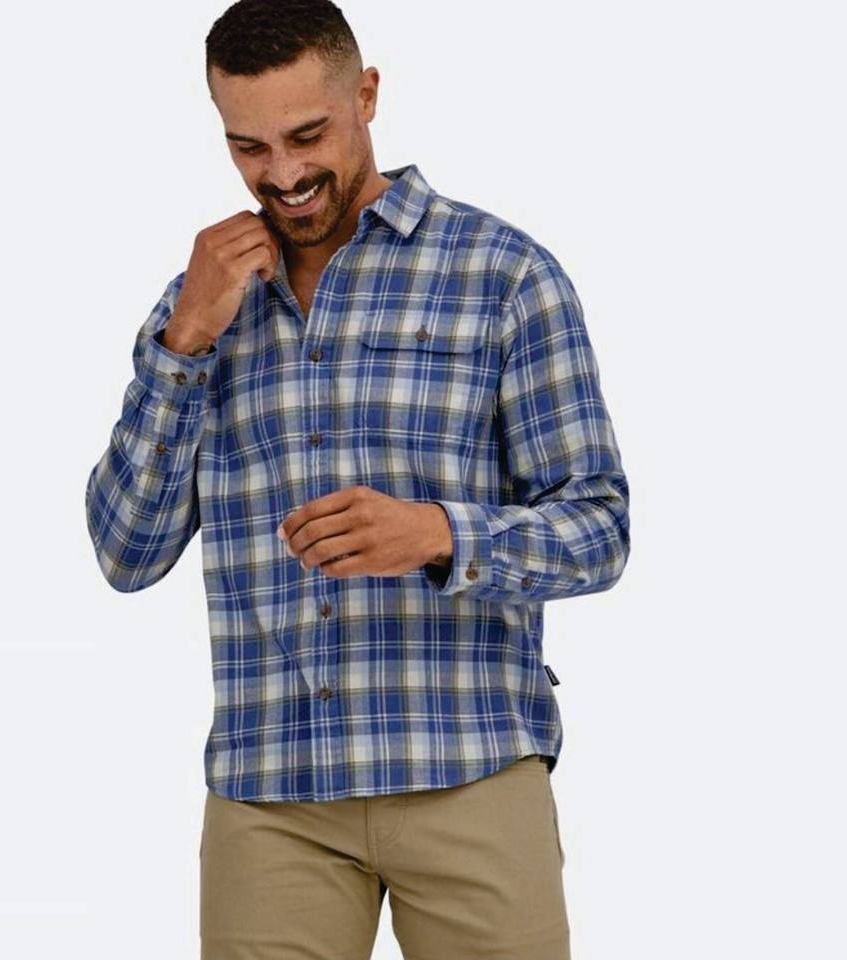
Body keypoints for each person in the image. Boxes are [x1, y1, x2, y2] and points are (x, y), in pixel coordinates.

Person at [84, 1, 631, 957]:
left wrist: (440, 535)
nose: (283, 174)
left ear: (366, 95)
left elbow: (600, 528)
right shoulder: (200, 305)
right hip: (271, 797)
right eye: (248, 146)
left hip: (470, 769)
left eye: (307, 135)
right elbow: (126, 554)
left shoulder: (503, 275)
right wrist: (184, 342)